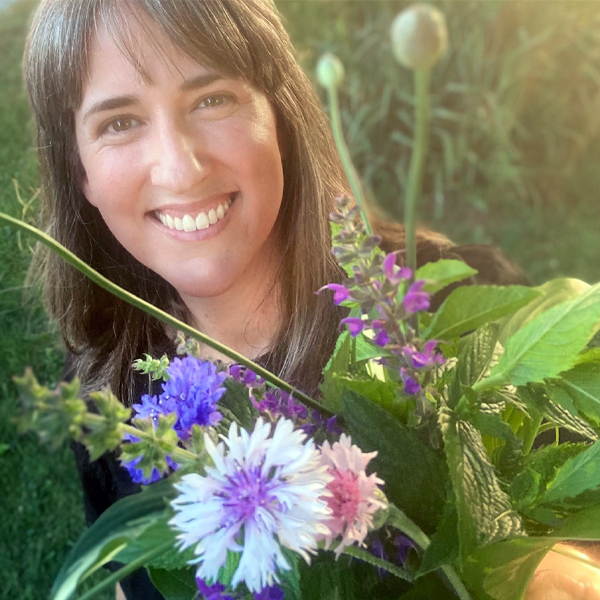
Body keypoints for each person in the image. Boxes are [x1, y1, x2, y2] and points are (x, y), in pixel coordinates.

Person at [21, 1, 598, 599]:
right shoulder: (107, 391)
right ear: (79, 171)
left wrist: (535, 562)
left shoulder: (453, 306)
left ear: (281, 114)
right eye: (118, 122)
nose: (180, 168)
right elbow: (132, 581)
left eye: (211, 98)